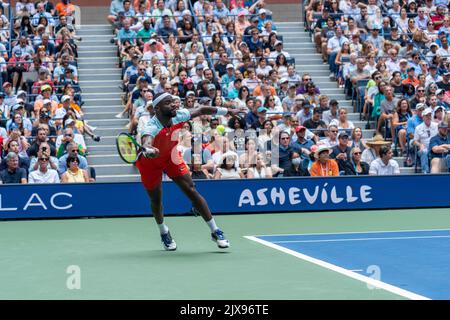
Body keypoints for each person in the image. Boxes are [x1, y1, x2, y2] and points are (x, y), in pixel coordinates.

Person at [136, 92, 241, 250]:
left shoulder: (179, 115)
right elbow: (146, 140)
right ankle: (164, 231)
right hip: (150, 163)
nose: (173, 105)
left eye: (173, 101)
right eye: (168, 103)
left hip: (171, 157)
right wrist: (149, 149)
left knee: (191, 190)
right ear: (157, 108)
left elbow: (202, 110)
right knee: (156, 200)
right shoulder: (151, 126)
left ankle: (215, 230)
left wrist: (227, 111)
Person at [414, 108, 439, 174]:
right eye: (426, 116)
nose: (428, 117)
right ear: (423, 117)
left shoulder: (436, 125)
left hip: (435, 148)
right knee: (424, 151)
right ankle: (425, 172)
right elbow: (415, 141)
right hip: (424, 148)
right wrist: (420, 145)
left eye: (429, 115)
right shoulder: (418, 128)